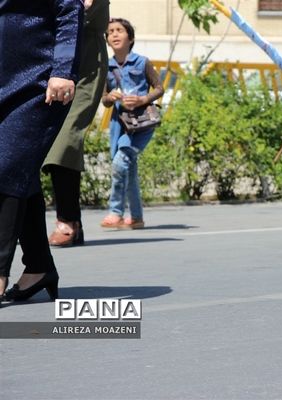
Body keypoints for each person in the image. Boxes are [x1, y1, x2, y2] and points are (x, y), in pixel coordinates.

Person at [0, 0, 83, 304]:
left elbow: (69, 10)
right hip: (4, 79)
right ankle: (39, 267)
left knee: (6, 167)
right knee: (19, 170)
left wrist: (63, 69)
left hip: (39, 81)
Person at [43, 0, 110, 247]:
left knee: (64, 140)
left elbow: (83, 8)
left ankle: (68, 220)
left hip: (85, 65)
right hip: (43, 59)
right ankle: (16, 226)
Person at [99, 18, 164, 229]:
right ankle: (136, 217)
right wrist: (112, 97)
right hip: (120, 124)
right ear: (107, 40)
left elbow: (159, 88)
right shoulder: (106, 67)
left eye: (119, 30)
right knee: (129, 168)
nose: (115, 34)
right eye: (110, 32)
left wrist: (142, 99)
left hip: (142, 124)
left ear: (131, 37)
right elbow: (104, 99)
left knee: (120, 164)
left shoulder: (142, 62)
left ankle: (115, 212)